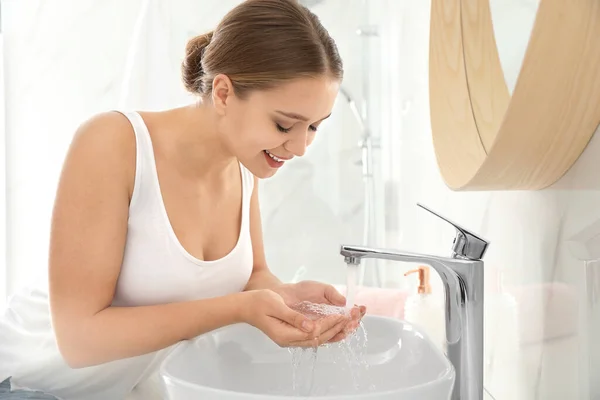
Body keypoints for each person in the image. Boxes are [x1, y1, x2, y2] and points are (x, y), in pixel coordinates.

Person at [0, 1, 366, 399]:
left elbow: (251, 277)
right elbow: (78, 340)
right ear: (223, 93)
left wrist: (284, 296)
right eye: (284, 124)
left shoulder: (244, 165)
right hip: (25, 384)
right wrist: (240, 309)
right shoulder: (114, 144)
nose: (299, 147)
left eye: (313, 126)